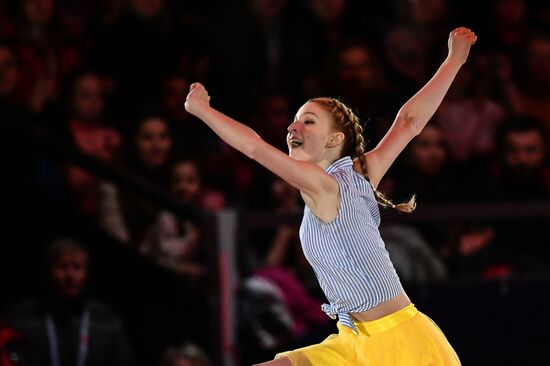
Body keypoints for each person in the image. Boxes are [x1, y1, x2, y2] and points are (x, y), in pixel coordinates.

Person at [185, 27, 477, 366]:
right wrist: (453, 61)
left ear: (334, 139)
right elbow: (409, 122)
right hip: (351, 343)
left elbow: (253, 147)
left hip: (399, 346)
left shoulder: (325, 184)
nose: (292, 128)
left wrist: (203, 110)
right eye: (293, 121)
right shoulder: (360, 175)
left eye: (307, 121)